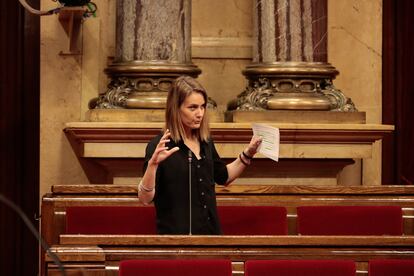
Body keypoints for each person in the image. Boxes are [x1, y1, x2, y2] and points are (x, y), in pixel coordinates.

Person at [138, 76, 262, 235]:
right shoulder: (160, 145)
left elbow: (223, 176)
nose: (200, 113)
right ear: (175, 109)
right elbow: (145, 198)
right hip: (176, 240)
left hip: (211, 235)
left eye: (203, 107)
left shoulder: (205, 142)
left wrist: (248, 153)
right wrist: (152, 166)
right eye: (193, 107)